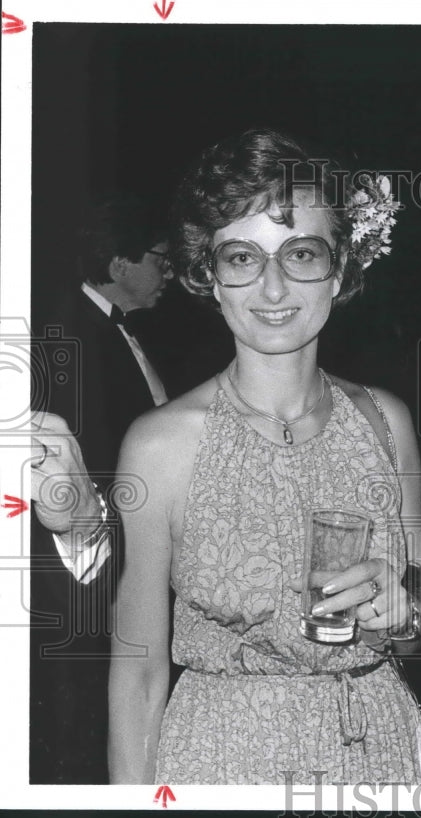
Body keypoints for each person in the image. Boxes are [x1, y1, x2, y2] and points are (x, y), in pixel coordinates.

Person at [108, 128, 421, 785]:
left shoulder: (385, 422)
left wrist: (404, 612)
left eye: (302, 253)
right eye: (242, 258)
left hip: (375, 752)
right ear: (209, 276)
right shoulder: (159, 445)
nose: (275, 286)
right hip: (222, 760)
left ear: (340, 269)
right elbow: (137, 675)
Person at [29, 194, 174, 784]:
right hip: (91, 566)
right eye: (160, 260)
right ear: (120, 265)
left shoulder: (121, 333)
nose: (168, 273)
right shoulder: (68, 332)